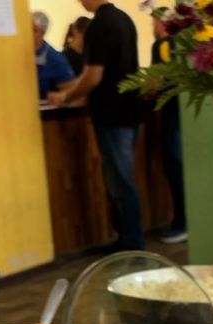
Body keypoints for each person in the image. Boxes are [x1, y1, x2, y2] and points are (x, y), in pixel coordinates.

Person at [49, 0, 145, 251]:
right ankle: (127, 239)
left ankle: (132, 243)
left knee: (121, 182)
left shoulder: (99, 25)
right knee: (122, 179)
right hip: (130, 110)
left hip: (111, 114)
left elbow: (93, 76)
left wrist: (65, 96)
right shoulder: (124, 19)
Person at [151, 17, 187, 243]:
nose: (153, 28)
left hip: (171, 113)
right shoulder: (185, 44)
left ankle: (182, 223)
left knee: (174, 166)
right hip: (185, 113)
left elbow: (156, 80)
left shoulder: (162, 44)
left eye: (153, 23)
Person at [32, 11, 75, 100]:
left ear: (42, 33)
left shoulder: (55, 59)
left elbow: (72, 94)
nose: (28, 33)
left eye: (34, 30)